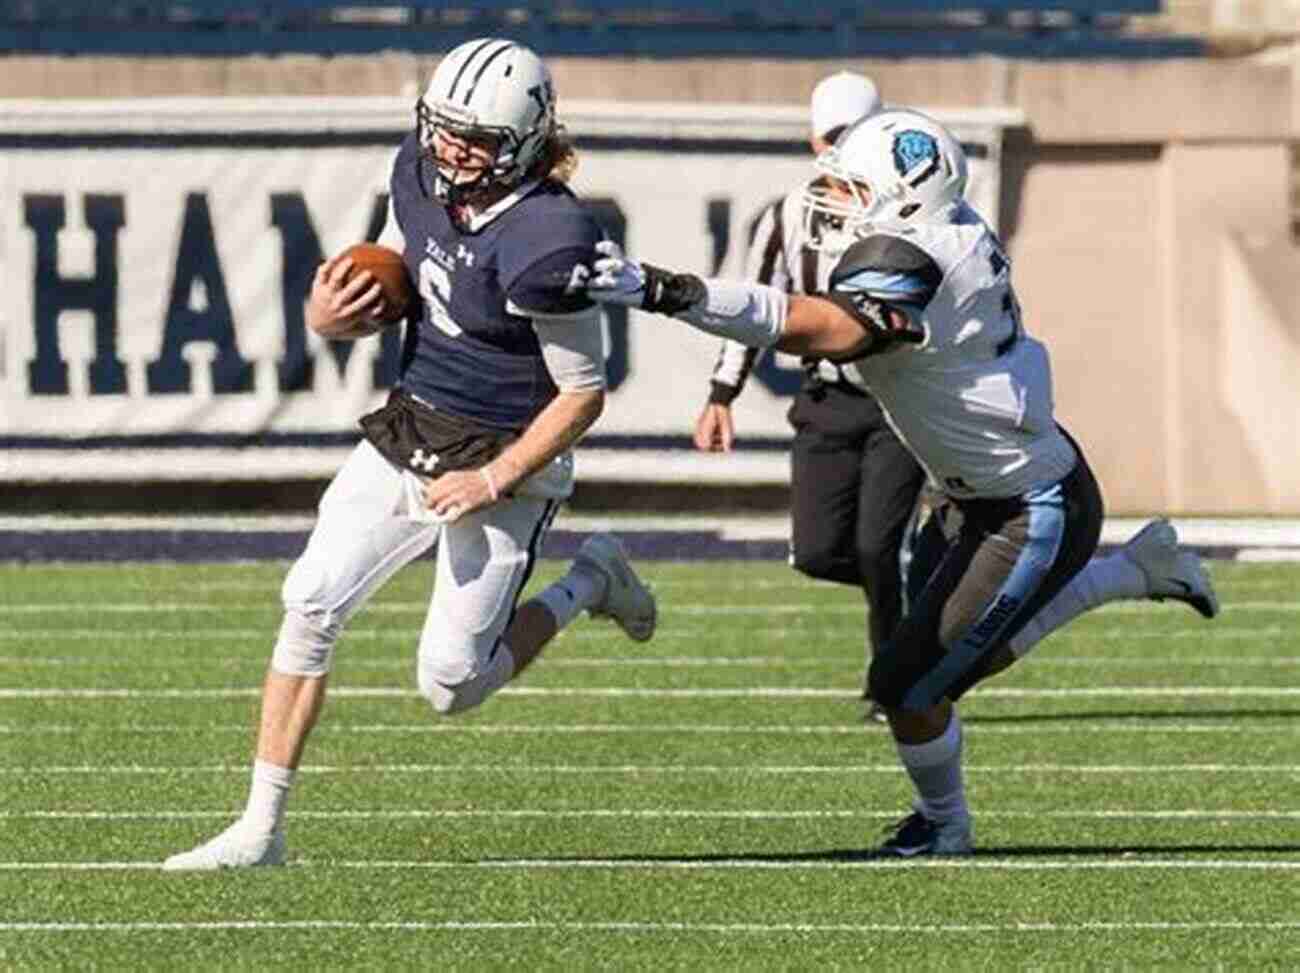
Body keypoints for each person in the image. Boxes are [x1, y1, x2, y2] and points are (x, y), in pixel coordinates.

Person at [585, 108, 1218, 856]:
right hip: (985, 485)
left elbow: (814, 326)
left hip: (1025, 506)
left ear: (903, 199)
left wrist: (671, 292)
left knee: (909, 684)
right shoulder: (944, 227)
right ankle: (1136, 570)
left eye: (853, 189)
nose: (834, 199)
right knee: (950, 657)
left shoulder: (910, 258)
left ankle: (946, 825)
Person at [163, 38, 656, 870]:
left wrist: (496, 476)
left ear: (532, 137)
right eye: (445, 129)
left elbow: (582, 394)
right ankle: (261, 827)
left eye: (478, 137)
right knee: (310, 601)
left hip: (507, 456)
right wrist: (335, 316)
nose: (454, 150)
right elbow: (396, 261)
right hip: (414, 422)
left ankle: (589, 581)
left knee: (452, 684)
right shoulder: (421, 170)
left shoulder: (551, 235)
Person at [694, 71, 924, 722]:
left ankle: (893, 681)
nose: (843, 156)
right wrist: (721, 392)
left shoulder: (914, 216)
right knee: (819, 551)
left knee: (880, 548)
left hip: (897, 402)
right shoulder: (787, 216)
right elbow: (754, 309)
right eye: (834, 139)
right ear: (812, 140)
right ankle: (927, 590)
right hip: (827, 396)